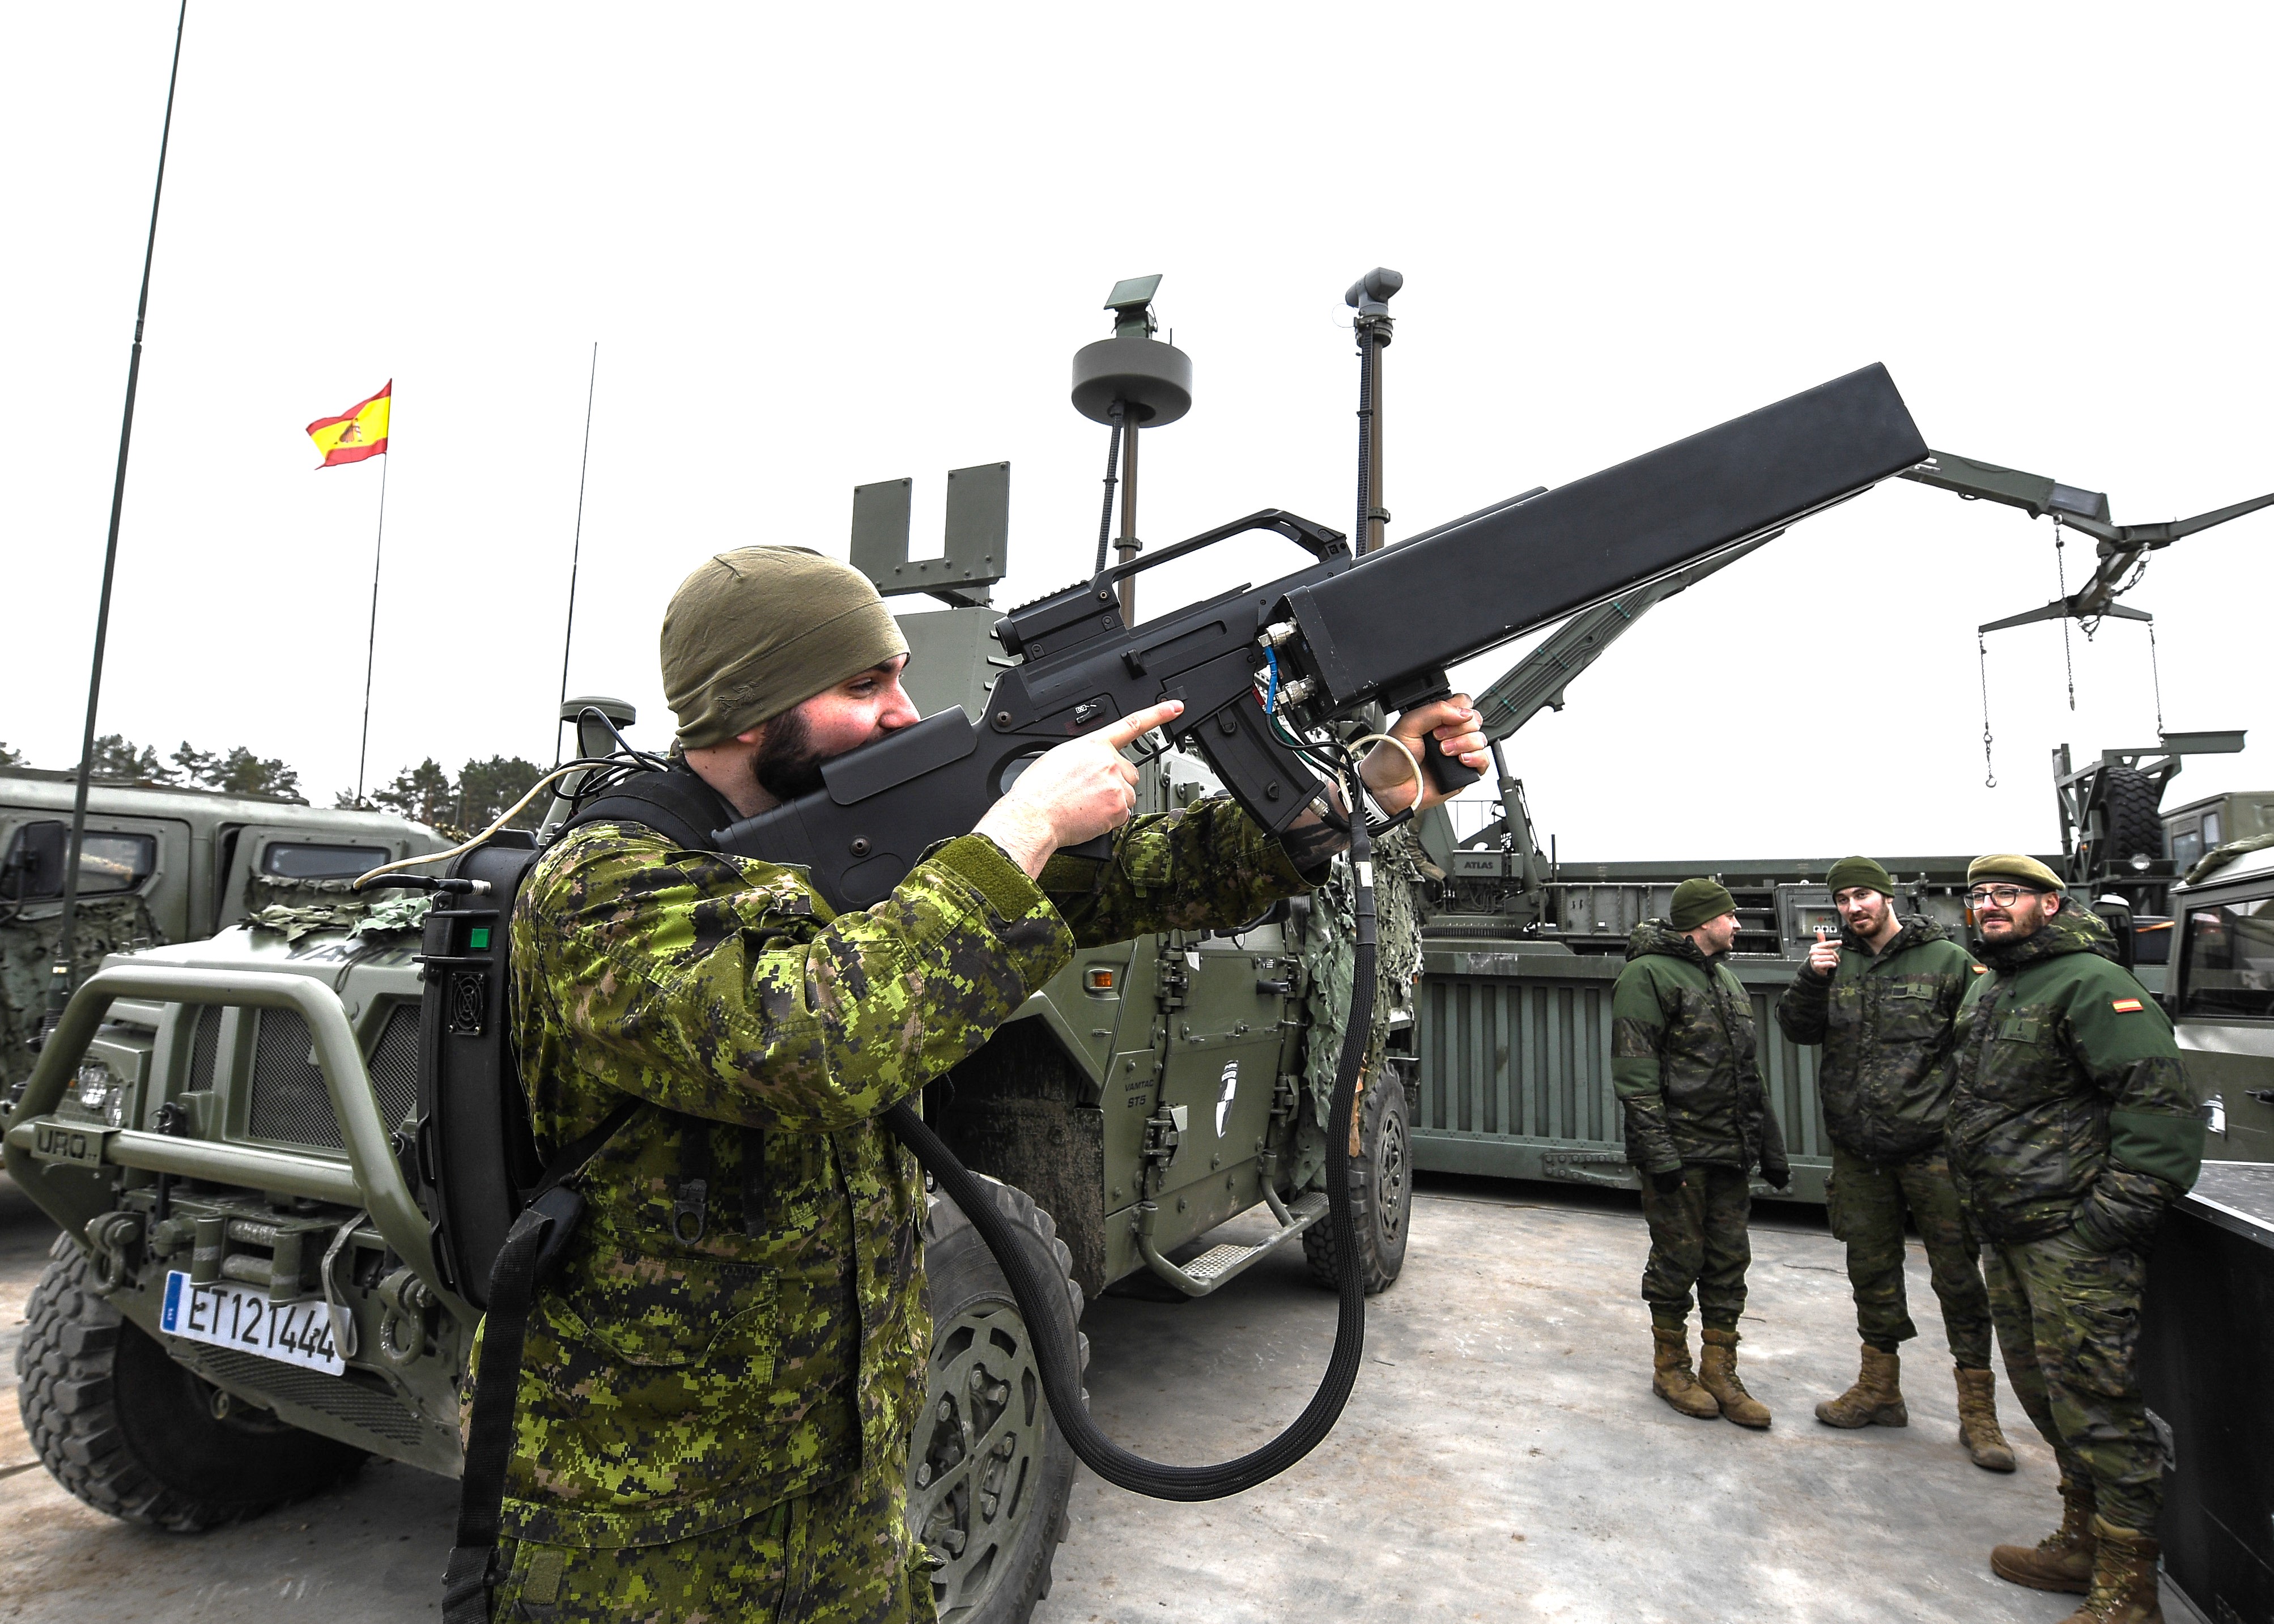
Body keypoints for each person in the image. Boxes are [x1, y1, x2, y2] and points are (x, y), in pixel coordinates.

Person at [489, 545, 1488, 1622]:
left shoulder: (834, 845)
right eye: (862, 685)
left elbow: (1156, 873)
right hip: (650, 1529)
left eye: (899, 677)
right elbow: (816, 1044)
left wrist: (1383, 787)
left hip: (849, 1492)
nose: (902, 713)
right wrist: (1020, 827)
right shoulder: (602, 880)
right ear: (745, 709)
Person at [1946, 854, 2204, 1624]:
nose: (1990, 906)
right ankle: (2081, 1542)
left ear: (2049, 906)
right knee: (2047, 1396)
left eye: (2008, 894)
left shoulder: (2095, 985)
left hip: (2072, 1240)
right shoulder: (1992, 986)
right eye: (1980, 895)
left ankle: (2128, 1593)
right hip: (2010, 1230)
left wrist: (2100, 1225)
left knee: (2098, 1405)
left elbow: (2161, 1121)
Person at [1775, 855, 2013, 1469]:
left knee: (1957, 1277)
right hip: (1860, 1151)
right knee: (1869, 1268)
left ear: (1888, 898)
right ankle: (1879, 1389)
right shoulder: (1834, 963)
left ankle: (1977, 1411)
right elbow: (1796, 1031)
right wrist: (1809, 979)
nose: (1853, 908)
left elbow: (1983, 1046)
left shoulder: (1947, 961)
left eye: (1863, 896)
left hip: (1933, 1151)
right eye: (1843, 900)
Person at [1613, 875, 1790, 1429]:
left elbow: (1749, 1073)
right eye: (1729, 916)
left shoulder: (1729, 982)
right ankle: (1671, 1368)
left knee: (1728, 1263)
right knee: (1675, 1262)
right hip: (1680, 1155)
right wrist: (1658, 1155)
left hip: (1729, 1153)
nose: (1737, 925)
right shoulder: (1646, 976)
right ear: (1701, 921)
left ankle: (1720, 1371)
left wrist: (1771, 1147)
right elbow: (1634, 1075)